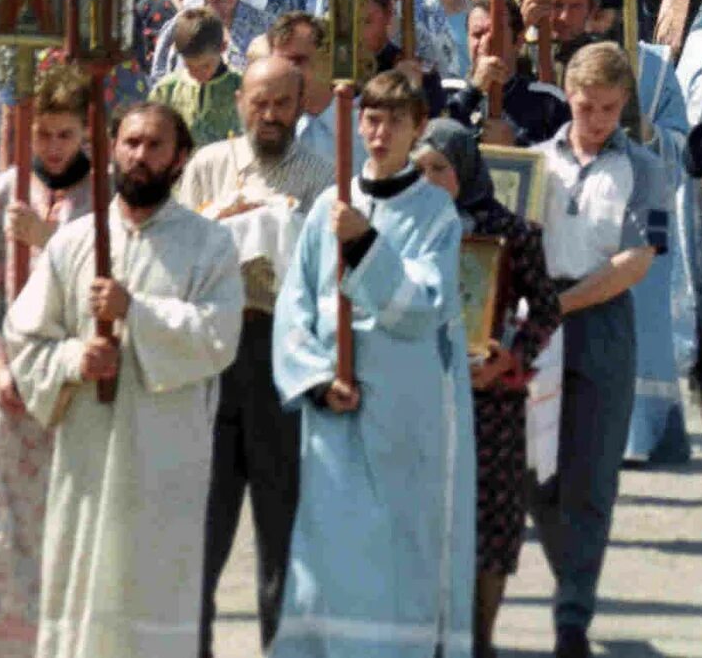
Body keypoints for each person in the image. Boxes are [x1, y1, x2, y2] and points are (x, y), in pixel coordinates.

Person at [10, 101, 245, 658]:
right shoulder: (71, 242)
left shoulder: (208, 244)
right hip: (87, 456)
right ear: (111, 149)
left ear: (180, 158)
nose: (140, 156)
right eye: (130, 143)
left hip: (165, 458)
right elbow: (25, 337)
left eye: (155, 145)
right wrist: (74, 361)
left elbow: (219, 335)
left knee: (156, 591)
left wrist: (134, 312)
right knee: (82, 592)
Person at [274, 64, 472, 658]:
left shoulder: (436, 214)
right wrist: (314, 379)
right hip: (335, 410)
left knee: (395, 551)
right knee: (329, 548)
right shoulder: (327, 209)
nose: (380, 133)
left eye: (394, 122)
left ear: (417, 131)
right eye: (371, 119)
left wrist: (363, 242)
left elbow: (423, 306)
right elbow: (295, 308)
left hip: (404, 416)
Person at [0, 64, 97, 658]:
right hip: (10, 402)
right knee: (2, 537)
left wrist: (50, 243)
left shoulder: (106, 202)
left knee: (78, 537)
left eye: (66, 135)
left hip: (82, 399)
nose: (53, 149)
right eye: (43, 134)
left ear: (86, 133)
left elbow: (119, 283)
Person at [177, 54, 332, 657]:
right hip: (213, 352)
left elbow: (326, 275)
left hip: (279, 353)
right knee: (202, 525)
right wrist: (221, 220)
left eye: (282, 104)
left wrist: (286, 229)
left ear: (300, 106)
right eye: (259, 102)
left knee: (281, 521)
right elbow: (173, 247)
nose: (269, 116)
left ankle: (282, 647)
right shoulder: (208, 166)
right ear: (240, 101)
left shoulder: (319, 176)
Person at [525, 41, 672, 658]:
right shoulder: (534, 162)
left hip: (601, 320)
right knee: (537, 472)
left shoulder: (643, 168)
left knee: (591, 475)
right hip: (535, 316)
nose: (598, 121)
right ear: (568, 97)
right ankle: (572, 579)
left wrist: (568, 304)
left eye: (610, 109)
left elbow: (635, 260)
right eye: (587, 107)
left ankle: (572, 617)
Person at [413, 119, 561, 658]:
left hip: (490, 395)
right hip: (421, 392)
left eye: (440, 170)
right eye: (420, 169)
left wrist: (509, 359)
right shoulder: (402, 229)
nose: (429, 181)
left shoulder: (510, 231)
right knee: (425, 516)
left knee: (492, 521)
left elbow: (545, 309)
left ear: (466, 170)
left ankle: (480, 638)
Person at [150, 9, 241, 148]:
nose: (199, 73)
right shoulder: (167, 90)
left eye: (206, 66)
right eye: (190, 66)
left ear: (223, 47)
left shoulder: (241, 86)